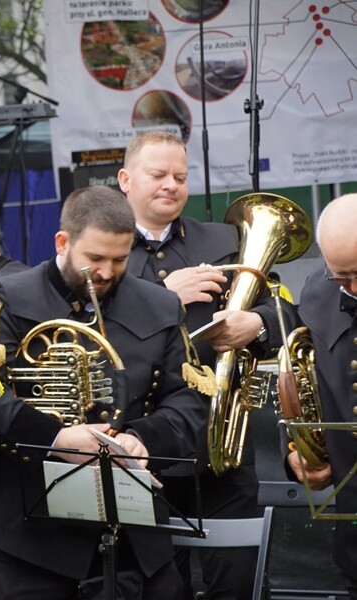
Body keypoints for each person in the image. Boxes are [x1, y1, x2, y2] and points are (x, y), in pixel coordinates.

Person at [0, 185, 205, 599]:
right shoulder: (6, 297)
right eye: (94, 259)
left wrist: (141, 438)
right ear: (63, 242)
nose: (108, 272)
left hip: (133, 536)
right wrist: (57, 439)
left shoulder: (162, 305)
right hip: (26, 539)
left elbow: (188, 397)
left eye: (120, 258)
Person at [118, 130, 293, 599]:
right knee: (155, 588)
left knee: (238, 584)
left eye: (180, 175)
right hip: (140, 448)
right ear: (125, 180)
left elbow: (288, 314)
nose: (171, 185)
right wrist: (160, 297)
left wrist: (253, 325)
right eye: (158, 175)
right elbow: (87, 332)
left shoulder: (223, 239)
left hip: (222, 454)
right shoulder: (103, 248)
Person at [286, 193, 357, 599]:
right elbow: (300, 375)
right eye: (341, 275)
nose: (351, 288)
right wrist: (297, 448)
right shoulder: (320, 287)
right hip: (353, 534)